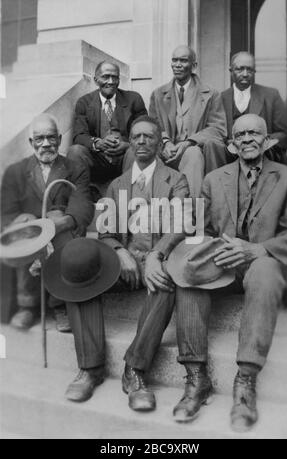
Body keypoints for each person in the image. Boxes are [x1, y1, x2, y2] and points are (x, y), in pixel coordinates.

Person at [44, 116, 189, 405]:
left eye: (149, 136)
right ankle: (90, 367)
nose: (142, 142)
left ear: (160, 142)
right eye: (136, 137)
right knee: (79, 268)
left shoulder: (176, 179)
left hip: (156, 262)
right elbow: (107, 233)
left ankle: (134, 369)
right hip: (124, 265)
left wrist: (155, 257)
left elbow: (182, 224)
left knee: (166, 278)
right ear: (130, 143)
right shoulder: (117, 185)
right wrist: (120, 252)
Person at [169, 114, 287, 431]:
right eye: (240, 135)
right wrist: (188, 250)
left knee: (265, 271)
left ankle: (245, 380)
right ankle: (196, 376)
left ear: (267, 140)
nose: (247, 139)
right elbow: (202, 228)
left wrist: (258, 249)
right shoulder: (215, 179)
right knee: (188, 273)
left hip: (266, 261)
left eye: (255, 133)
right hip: (226, 260)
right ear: (231, 144)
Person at [0, 114, 94, 331]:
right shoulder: (16, 172)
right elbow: (5, 213)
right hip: (30, 233)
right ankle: (27, 305)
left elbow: (82, 205)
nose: (45, 144)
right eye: (39, 139)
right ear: (31, 143)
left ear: (60, 140)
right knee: (24, 235)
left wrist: (56, 225)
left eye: (51, 138)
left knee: (63, 234)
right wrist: (25, 222)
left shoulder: (75, 168)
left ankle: (59, 304)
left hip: (61, 230)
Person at [147, 45, 228, 198]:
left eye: (183, 61)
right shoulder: (158, 94)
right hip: (165, 150)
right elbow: (152, 126)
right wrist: (165, 142)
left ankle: (189, 213)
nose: (177, 65)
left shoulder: (211, 94)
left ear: (194, 65)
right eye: (174, 60)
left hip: (193, 151)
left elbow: (218, 129)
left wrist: (190, 142)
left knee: (193, 155)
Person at [68, 61, 147, 191]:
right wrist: (97, 143)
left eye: (115, 77)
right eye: (105, 77)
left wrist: (127, 145)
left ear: (119, 79)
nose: (110, 81)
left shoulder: (134, 99)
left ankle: (133, 197)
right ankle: (81, 197)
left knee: (136, 150)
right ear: (95, 80)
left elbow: (145, 132)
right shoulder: (84, 102)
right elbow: (79, 136)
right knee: (75, 151)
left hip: (125, 158)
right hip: (98, 159)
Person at [221, 51, 287, 165]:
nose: (245, 74)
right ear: (231, 71)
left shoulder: (271, 95)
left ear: (254, 72)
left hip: (265, 159)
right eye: (240, 69)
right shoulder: (220, 99)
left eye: (249, 69)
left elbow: (284, 135)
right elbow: (217, 135)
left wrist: (260, 142)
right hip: (229, 161)